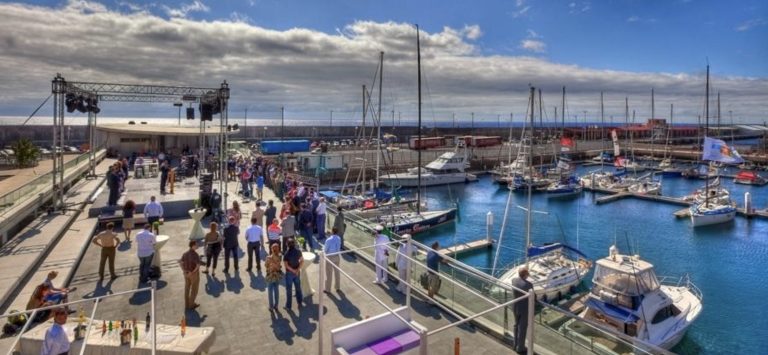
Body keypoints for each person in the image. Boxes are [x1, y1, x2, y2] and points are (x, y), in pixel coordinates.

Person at [512, 268, 534, 353]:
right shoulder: (529, 285)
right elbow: (534, 297)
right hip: (524, 309)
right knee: (522, 328)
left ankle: (515, 344)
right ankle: (520, 348)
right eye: (527, 274)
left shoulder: (513, 280)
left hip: (515, 306)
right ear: (525, 275)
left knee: (516, 325)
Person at [179, 240, 201, 310]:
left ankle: (186, 304)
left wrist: (184, 270)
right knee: (194, 289)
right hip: (193, 274)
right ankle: (191, 304)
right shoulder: (195, 255)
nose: (197, 246)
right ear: (193, 246)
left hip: (186, 273)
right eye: (196, 245)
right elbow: (197, 265)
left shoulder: (185, 254)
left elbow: (180, 263)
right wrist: (193, 272)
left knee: (187, 288)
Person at [283, 239, 304, 310]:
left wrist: (293, 270)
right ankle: (300, 302)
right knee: (298, 288)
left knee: (289, 290)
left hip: (289, 273)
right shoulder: (298, 251)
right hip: (297, 272)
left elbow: (286, 265)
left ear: (287, 245)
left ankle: (288, 306)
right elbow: (302, 261)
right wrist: (297, 270)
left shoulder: (286, 254)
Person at [323, 227, 342, 293]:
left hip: (330, 257)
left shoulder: (328, 240)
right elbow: (338, 247)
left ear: (332, 231)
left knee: (329, 274)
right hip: (337, 256)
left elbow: (325, 249)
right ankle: (337, 287)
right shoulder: (339, 238)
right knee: (337, 273)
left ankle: (328, 289)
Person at [265, 243, 283, 311]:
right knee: (276, 291)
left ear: (271, 249)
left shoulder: (268, 258)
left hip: (270, 276)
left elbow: (266, 266)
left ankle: (271, 307)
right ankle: (276, 306)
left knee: (270, 292)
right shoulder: (280, 256)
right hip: (277, 276)